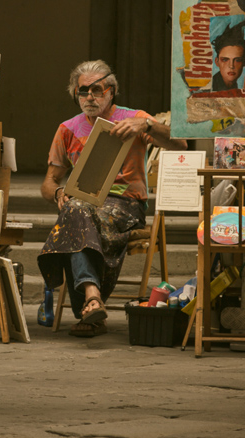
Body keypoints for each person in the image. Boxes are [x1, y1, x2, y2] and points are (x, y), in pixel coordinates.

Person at [38, 60, 187, 337]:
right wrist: (58, 193)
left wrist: (146, 125)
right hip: (83, 205)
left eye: (97, 90)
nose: (90, 97)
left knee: (75, 215)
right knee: (77, 208)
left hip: (125, 207)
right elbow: (48, 182)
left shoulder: (134, 119)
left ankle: (89, 301)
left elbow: (180, 143)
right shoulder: (68, 129)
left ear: (111, 91)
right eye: (83, 91)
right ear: (76, 94)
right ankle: (92, 297)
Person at [209, 23, 245, 91]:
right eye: (225, 60)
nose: (231, 66)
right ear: (217, 62)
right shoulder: (210, 88)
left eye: (237, 60)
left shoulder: (233, 87)